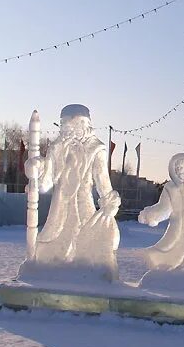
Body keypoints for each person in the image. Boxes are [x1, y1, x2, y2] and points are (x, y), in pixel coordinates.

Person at [21, 104, 120, 279]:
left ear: (85, 125)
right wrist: (36, 169)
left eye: (74, 125)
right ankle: (48, 268)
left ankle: (90, 269)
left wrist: (109, 201)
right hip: (59, 206)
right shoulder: (56, 148)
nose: (70, 131)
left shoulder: (96, 149)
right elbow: (45, 184)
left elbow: (102, 180)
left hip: (83, 203)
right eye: (65, 126)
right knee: (51, 244)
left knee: (86, 241)